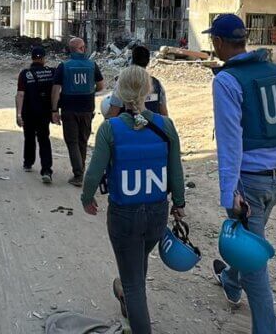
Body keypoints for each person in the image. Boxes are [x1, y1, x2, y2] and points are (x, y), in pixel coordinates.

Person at [204, 14, 276, 334]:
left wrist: (230, 191)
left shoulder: (227, 81)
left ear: (218, 43)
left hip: (250, 181)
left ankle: (268, 329)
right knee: (249, 239)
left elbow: (229, 141)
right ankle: (230, 281)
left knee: (253, 261)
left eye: (213, 42)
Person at [81, 65, 186, 334]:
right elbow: (175, 169)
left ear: (119, 93)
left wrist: (87, 197)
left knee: (134, 284)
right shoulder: (165, 125)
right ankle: (128, 296)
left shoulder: (110, 129)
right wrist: (180, 204)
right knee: (138, 263)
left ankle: (134, 308)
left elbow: (94, 171)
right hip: (156, 213)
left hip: (123, 215)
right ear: (148, 90)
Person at [51, 37, 104, 186]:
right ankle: (80, 171)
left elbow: (56, 90)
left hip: (69, 108)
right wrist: (90, 92)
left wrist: (54, 109)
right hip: (87, 108)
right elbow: (101, 86)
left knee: (72, 141)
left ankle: (78, 173)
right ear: (82, 48)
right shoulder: (92, 65)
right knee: (82, 140)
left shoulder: (63, 66)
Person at [16, 46, 55, 184]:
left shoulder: (25, 74)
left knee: (29, 136)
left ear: (32, 58)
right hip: (45, 112)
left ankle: (28, 162)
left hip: (28, 111)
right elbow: (57, 89)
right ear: (44, 59)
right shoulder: (51, 72)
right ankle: (46, 170)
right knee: (44, 139)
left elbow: (20, 94)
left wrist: (18, 114)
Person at [106, 45, 168, 118]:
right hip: (151, 127)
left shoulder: (123, 82)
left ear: (132, 60)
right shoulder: (157, 84)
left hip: (126, 127)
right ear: (148, 62)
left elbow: (113, 112)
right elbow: (164, 114)